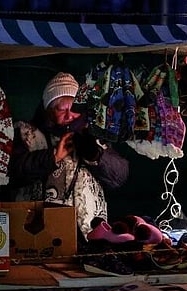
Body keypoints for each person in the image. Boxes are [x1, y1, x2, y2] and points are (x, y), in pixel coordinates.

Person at [9, 72, 130, 240]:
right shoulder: (25, 132)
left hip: (89, 228)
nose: (69, 115)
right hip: (36, 229)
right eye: (61, 109)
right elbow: (13, 172)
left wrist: (96, 156)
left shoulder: (94, 132)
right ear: (48, 109)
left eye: (74, 109)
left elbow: (119, 176)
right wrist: (53, 157)